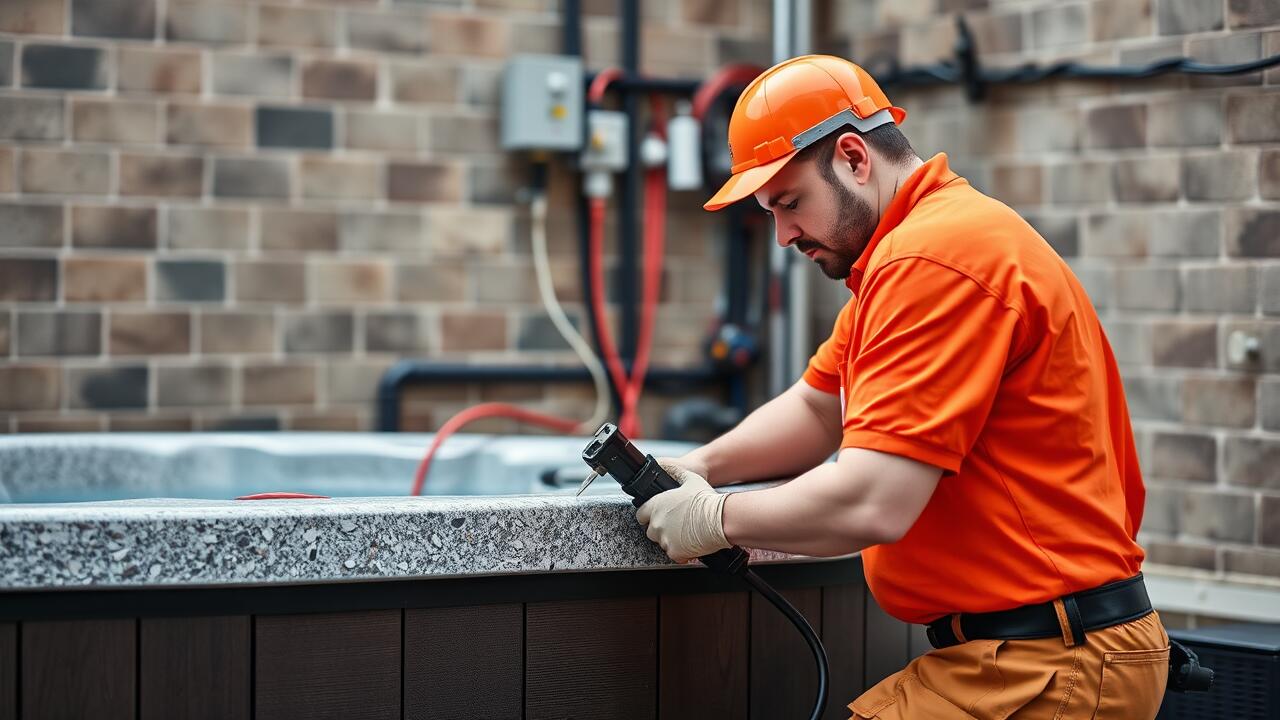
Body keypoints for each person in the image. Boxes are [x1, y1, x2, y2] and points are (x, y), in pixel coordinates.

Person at [635, 55, 1170, 719]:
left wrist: (716, 519)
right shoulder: (906, 254)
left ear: (855, 157)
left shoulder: (934, 259)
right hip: (1023, 654)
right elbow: (817, 406)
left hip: (1049, 663)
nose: (782, 235)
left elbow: (872, 502)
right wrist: (696, 467)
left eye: (790, 202)